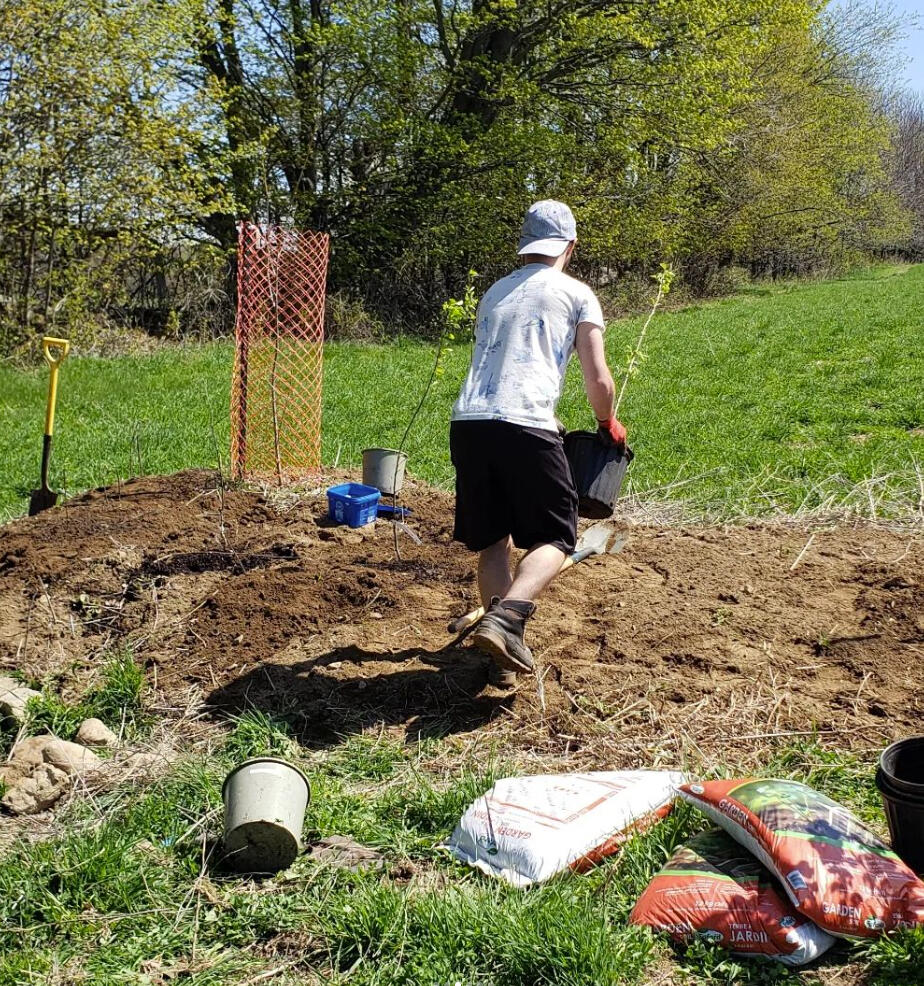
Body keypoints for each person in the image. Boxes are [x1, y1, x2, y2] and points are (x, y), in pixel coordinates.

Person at [449, 199, 626, 681]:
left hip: (469, 424)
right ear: (570, 246)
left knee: (494, 542)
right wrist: (607, 421)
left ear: (525, 245)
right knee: (557, 536)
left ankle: (499, 653)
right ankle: (507, 618)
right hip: (526, 424)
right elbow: (597, 376)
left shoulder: (494, 292)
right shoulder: (576, 293)